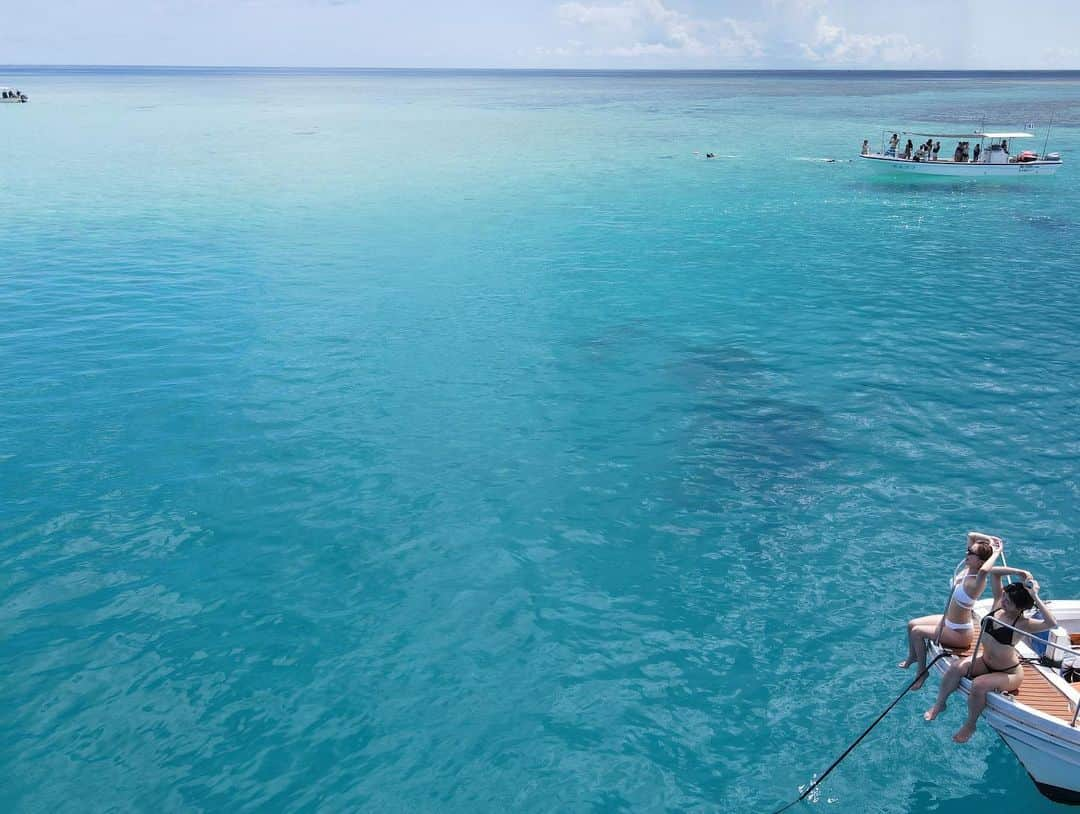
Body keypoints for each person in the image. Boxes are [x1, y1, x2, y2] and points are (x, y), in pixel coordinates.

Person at [924, 574, 1057, 743]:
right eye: (1004, 597)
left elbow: (1051, 623)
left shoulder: (1023, 623)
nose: (1003, 601)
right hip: (985, 661)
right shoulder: (997, 606)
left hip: (1008, 673)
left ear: (1019, 608)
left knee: (979, 685)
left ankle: (970, 724)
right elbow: (995, 573)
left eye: (1008, 601)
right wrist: (1015, 569)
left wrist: (1034, 595)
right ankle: (940, 704)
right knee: (956, 668)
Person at [899, 533, 1003, 688]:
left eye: (971, 553)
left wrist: (997, 551)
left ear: (981, 561)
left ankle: (922, 673)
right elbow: (971, 535)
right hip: (947, 621)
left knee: (917, 632)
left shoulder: (978, 580)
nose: (967, 554)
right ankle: (913, 657)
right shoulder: (967, 570)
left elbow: (985, 570)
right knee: (911, 624)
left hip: (959, 632)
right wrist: (989, 540)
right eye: (968, 551)